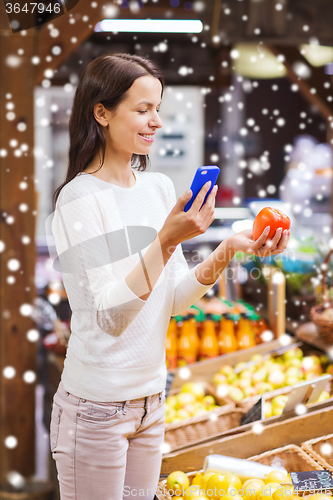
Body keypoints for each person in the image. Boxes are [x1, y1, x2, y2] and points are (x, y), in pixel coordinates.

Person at [48, 53, 290, 500]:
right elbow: (111, 318)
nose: (156, 121)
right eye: (142, 109)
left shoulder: (157, 189)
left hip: (151, 402)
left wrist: (227, 250)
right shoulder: (79, 200)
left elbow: (175, 300)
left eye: (158, 108)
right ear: (101, 112)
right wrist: (164, 241)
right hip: (97, 409)